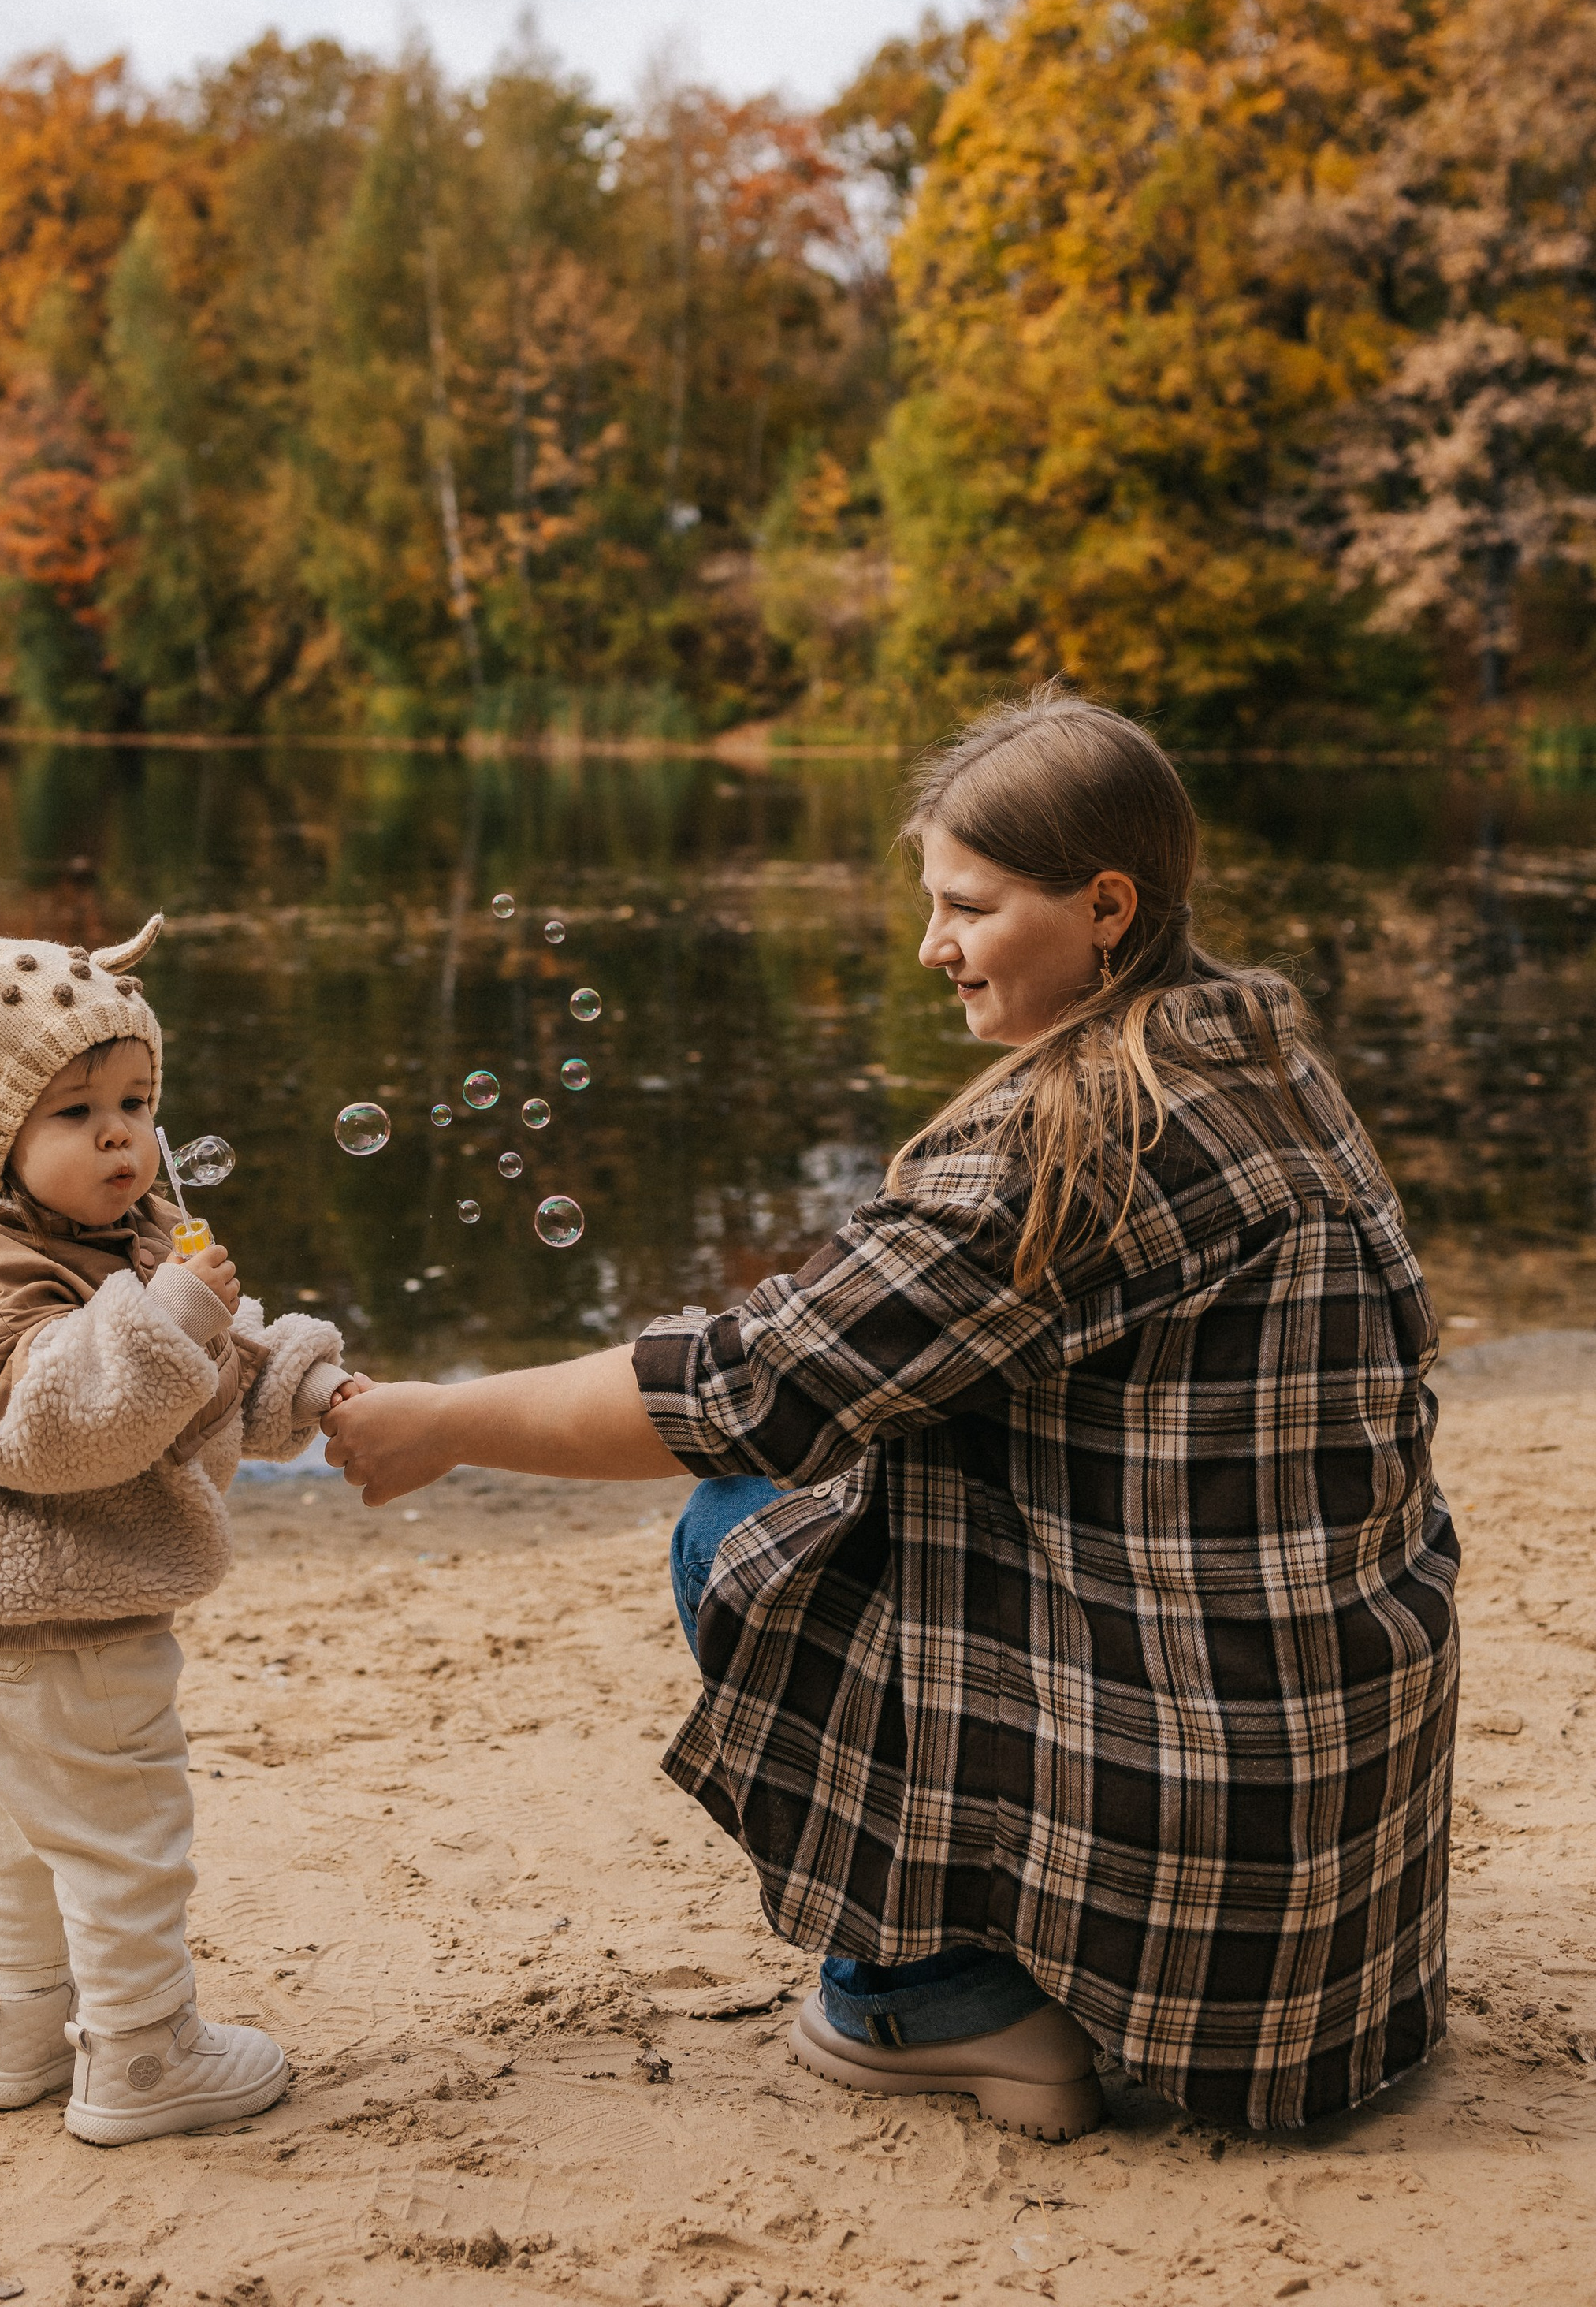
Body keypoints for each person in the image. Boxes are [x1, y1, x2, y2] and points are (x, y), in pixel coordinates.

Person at [323, 694, 1460, 2136]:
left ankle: (935, 2003)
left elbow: (746, 1388)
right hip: (1328, 1868)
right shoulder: (1267, 1055)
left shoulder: (1069, 1141)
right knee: (891, 1455)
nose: (933, 948)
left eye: (967, 909)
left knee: (747, 1517)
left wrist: (441, 1422)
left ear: (1106, 906)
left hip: (1202, 1838)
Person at [0, 913, 346, 2145]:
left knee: (28, 1830)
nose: (122, 1133)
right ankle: (140, 2055)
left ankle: (14, 2029)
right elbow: (53, 1425)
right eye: (77, 1114)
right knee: (127, 1831)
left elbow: (197, 1373)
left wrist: (298, 1383)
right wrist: (171, 1315)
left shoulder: (92, 1237)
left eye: (135, 1100)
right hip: (54, 1616)